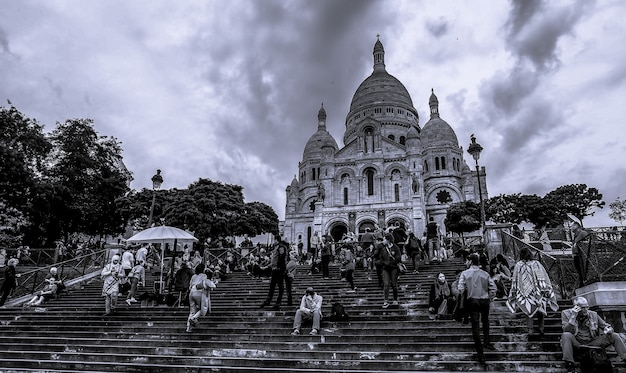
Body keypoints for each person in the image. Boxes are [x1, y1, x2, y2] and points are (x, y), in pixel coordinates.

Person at [561, 296, 626, 372]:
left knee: (614, 335)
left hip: (592, 341)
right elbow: (566, 330)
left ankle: (625, 357)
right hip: (577, 342)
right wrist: (573, 317)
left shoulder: (593, 314)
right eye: (583, 308)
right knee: (566, 335)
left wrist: (609, 330)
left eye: (587, 307)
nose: (586, 310)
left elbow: (606, 326)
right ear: (576, 307)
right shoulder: (566, 313)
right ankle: (570, 364)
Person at [506, 246, 558, 337]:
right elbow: (544, 276)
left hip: (525, 293)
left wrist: (514, 291)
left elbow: (515, 279)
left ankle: (530, 330)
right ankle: (541, 328)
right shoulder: (537, 264)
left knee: (528, 311)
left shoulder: (518, 265)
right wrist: (545, 289)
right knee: (540, 310)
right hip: (538, 291)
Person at [458, 253, 497, 365]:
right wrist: (489, 297)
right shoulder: (485, 273)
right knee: (485, 321)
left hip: (472, 300)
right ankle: (487, 341)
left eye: (466, 261)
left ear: (470, 261)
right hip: (484, 300)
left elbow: (460, 288)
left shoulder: (465, 273)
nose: (466, 263)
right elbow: (493, 287)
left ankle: (481, 354)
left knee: (475, 325)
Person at [186, 263, 216, 332]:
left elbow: (190, 285)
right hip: (199, 292)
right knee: (202, 309)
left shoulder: (193, 276)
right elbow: (205, 283)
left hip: (191, 292)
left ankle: (188, 327)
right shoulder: (204, 275)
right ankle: (193, 318)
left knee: (192, 311)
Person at [260, 239, 288, 310]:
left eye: (275, 240)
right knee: (272, 285)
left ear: (277, 240)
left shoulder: (281, 247)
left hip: (279, 269)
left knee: (280, 285)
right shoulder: (276, 248)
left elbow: (282, 257)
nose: (274, 241)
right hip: (274, 269)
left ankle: (278, 302)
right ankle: (268, 300)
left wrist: (279, 267)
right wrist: (268, 266)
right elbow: (274, 260)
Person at [379, 233, 402, 308]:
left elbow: (399, 258)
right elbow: (381, 258)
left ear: (388, 240)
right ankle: (386, 300)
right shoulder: (383, 249)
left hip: (394, 268)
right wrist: (383, 263)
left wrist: (393, 260)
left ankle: (395, 299)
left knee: (394, 284)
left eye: (384, 239)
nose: (383, 241)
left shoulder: (396, 248)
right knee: (386, 284)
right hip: (385, 268)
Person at [571, 222, 591, 288]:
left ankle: (584, 283)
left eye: (572, 226)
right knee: (579, 271)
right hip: (576, 256)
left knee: (583, 271)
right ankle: (582, 283)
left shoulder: (583, 233)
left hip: (582, 256)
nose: (570, 227)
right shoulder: (575, 235)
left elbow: (587, 243)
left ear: (576, 226)